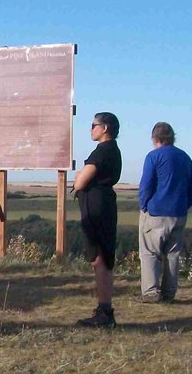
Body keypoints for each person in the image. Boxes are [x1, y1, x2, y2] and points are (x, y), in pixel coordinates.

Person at [137, 122, 192, 303]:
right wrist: (185, 203)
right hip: (178, 213)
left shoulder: (153, 156)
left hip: (156, 212)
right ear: (173, 137)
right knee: (172, 254)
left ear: (155, 138)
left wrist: (144, 205)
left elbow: (145, 186)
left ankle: (151, 293)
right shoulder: (184, 157)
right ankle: (168, 294)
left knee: (150, 252)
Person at [73, 112, 122, 328]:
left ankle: (104, 312)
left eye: (93, 125)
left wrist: (78, 179)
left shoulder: (104, 150)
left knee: (99, 257)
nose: (90, 129)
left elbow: (81, 181)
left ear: (105, 128)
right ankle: (105, 310)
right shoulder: (113, 150)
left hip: (97, 208)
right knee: (103, 256)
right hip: (103, 205)